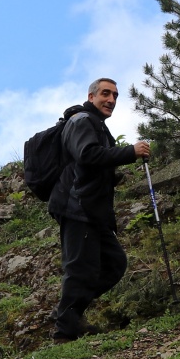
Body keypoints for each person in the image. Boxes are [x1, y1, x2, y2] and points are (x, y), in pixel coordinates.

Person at [48, 78, 150, 341]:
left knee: (114, 263)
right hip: (77, 206)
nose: (112, 100)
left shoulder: (98, 126)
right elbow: (87, 155)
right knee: (79, 268)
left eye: (115, 96)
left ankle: (68, 313)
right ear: (91, 96)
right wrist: (130, 152)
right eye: (106, 94)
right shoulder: (81, 120)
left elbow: (91, 164)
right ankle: (65, 332)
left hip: (93, 210)